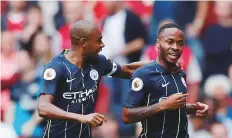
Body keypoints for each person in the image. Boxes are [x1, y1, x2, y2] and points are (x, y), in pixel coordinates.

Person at [38, 20, 167, 138]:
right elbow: (43, 107)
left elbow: (127, 70)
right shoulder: (56, 67)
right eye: (98, 40)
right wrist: (81, 118)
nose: (103, 45)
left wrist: (161, 64)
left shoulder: (98, 62)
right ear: (83, 43)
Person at [122, 23, 209, 138]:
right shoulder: (143, 74)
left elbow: (171, 109)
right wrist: (163, 105)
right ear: (158, 43)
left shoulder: (180, 73)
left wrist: (193, 108)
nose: (175, 47)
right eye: (170, 42)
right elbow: (127, 116)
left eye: (180, 43)